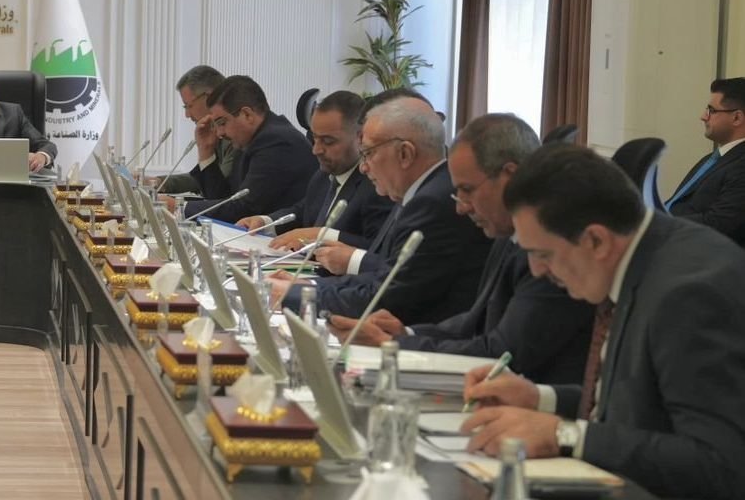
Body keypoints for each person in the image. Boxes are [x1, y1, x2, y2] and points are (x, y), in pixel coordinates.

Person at [460, 144, 745, 500]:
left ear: (596, 240)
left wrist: (564, 435)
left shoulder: (688, 292)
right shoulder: (645, 256)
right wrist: (539, 397)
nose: (537, 271)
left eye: (543, 254)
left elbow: (720, 465)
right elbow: (640, 407)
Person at [325, 114, 591, 384]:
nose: (461, 207)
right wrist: (405, 333)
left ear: (509, 177)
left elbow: (502, 353)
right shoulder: (505, 233)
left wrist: (394, 345)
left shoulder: (551, 250)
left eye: (467, 190)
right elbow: (474, 321)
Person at [281, 95, 491, 325]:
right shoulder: (419, 194)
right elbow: (382, 277)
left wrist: (292, 295)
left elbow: (385, 298)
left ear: (405, 154)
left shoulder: (432, 203)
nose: (363, 167)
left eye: (368, 153)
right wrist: (307, 286)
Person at [236, 90, 394, 251]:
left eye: (328, 141)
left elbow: (376, 249)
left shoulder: (376, 185)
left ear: (360, 138)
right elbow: (303, 211)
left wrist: (320, 237)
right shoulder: (322, 176)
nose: (316, 150)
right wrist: (266, 222)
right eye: (315, 139)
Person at [181, 75, 315, 223]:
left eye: (222, 123)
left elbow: (242, 209)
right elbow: (225, 199)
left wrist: (180, 207)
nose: (219, 133)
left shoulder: (276, 141)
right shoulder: (249, 140)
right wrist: (206, 150)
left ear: (247, 114)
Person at [666, 77, 745, 244]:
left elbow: (719, 222)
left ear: (737, 118)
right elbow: (678, 204)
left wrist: (658, 223)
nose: (703, 117)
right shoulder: (712, 159)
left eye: (711, 110)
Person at [155, 65, 237, 194]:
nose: (187, 115)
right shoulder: (214, 130)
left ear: (210, 97)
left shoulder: (235, 134)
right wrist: (159, 182)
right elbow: (203, 177)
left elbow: (217, 186)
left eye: (189, 106)